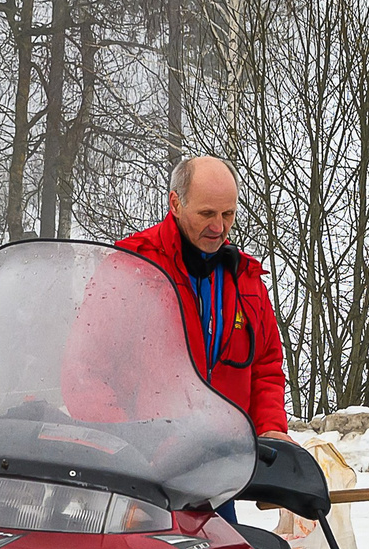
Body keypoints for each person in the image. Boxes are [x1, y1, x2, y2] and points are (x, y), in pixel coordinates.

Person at [118, 155, 291, 509]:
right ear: (175, 203)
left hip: (215, 475)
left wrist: (271, 428)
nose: (219, 227)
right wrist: (125, 449)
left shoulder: (246, 281)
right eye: (207, 214)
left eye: (228, 214)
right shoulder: (131, 267)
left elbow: (267, 367)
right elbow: (85, 371)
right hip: (140, 479)